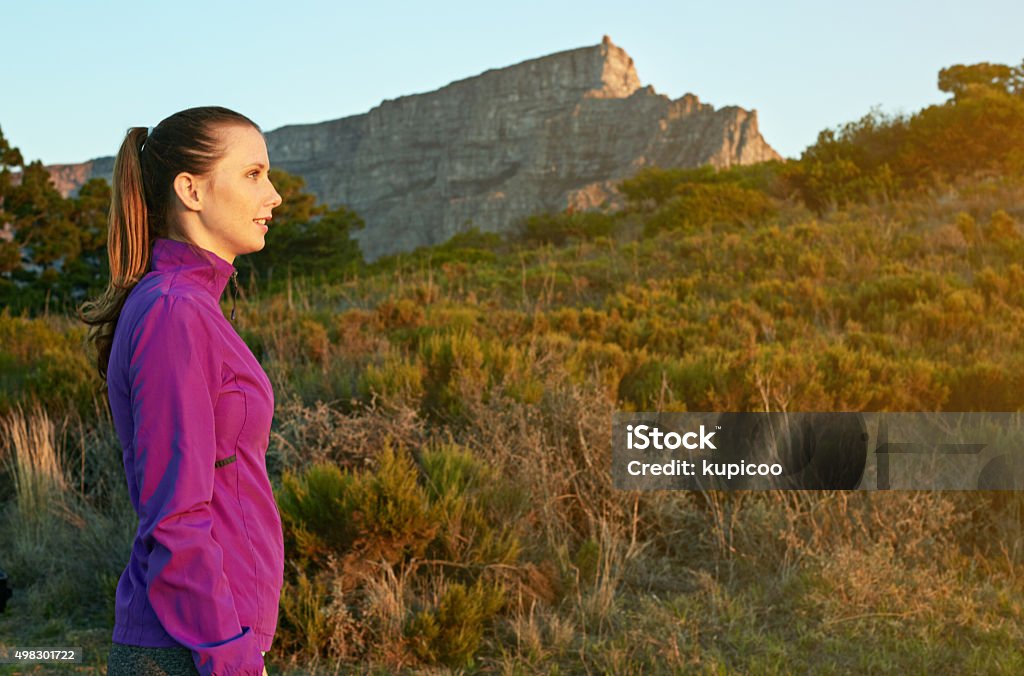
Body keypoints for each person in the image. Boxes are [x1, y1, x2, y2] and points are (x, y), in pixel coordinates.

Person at [78, 106, 284, 676]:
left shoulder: (188, 304)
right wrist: (231, 657)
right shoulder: (174, 311)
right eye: (253, 174)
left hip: (204, 640)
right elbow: (175, 514)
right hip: (188, 650)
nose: (274, 196)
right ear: (191, 190)